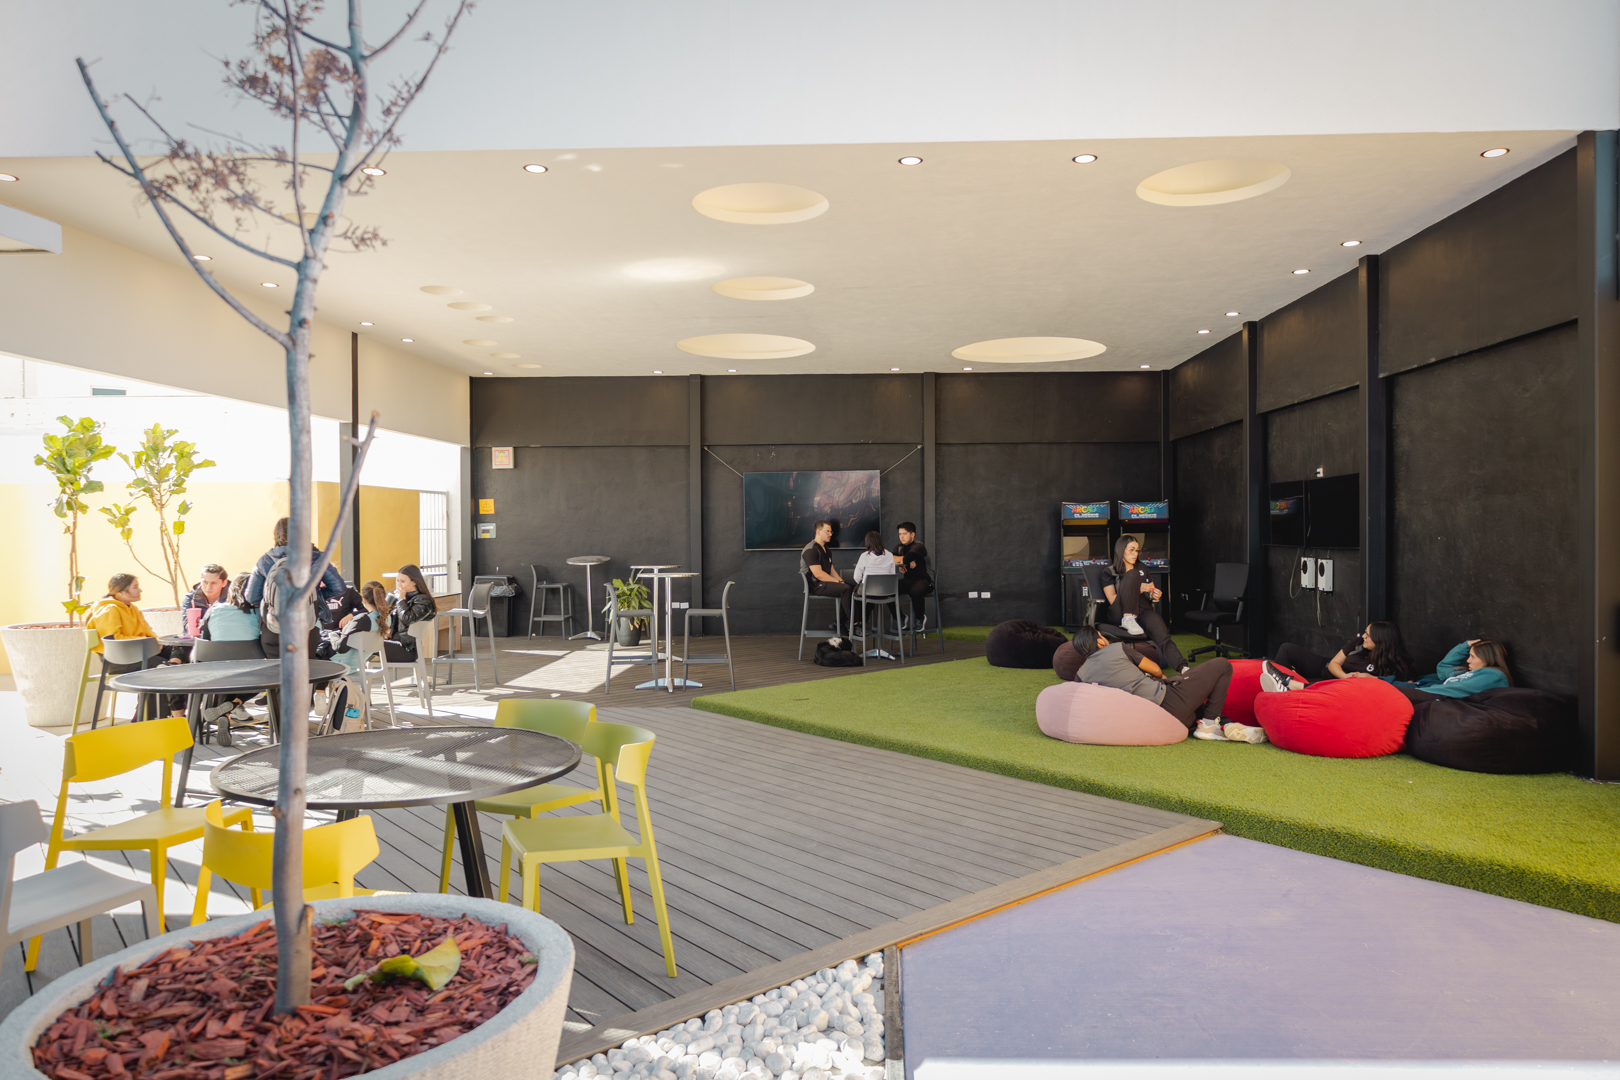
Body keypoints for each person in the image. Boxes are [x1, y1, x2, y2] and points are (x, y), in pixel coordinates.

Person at [1071, 627, 1256, 742]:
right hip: (1167, 702)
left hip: (1152, 720)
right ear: (1100, 641)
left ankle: (1226, 724)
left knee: (1197, 707)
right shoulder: (1116, 648)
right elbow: (1156, 670)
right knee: (1222, 665)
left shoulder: (1080, 674)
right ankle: (1209, 726)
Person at [85, 573, 186, 718]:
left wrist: (155, 642)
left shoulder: (133, 609)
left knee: (182, 649)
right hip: (118, 660)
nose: (140, 590)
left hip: (140, 653)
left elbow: (147, 632)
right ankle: (153, 719)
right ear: (120, 591)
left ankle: (172, 668)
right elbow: (113, 639)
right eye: (135, 587)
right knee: (162, 671)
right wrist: (147, 642)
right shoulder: (109, 609)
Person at [246, 516, 346, 656]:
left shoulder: (265, 560)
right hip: (307, 630)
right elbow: (339, 587)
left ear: (276, 535)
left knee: (275, 669)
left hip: (274, 629)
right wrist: (315, 596)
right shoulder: (317, 558)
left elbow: (251, 597)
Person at [1099, 536, 1187, 673]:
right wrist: (1137, 588)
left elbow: (1150, 589)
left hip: (1143, 610)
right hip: (1120, 612)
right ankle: (1128, 618)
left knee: (1162, 635)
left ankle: (1183, 668)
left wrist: (1154, 594)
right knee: (1132, 574)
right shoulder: (1110, 572)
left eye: (1137, 550)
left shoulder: (1142, 567)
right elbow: (1112, 599)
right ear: (1121, 550)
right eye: (1131, 550)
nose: (1135, 554)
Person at [1268, 621, 1414, 687]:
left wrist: (1372, 678)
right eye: (1365, 632)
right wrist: (1345, 676)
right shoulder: (1359, 643)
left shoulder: (1393, 664)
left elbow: (1407, 684)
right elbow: (1334, 663)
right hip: (1325, 669)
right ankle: (1279, 680)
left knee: (1308, 686)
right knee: (1287, 649)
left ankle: (1283, 686)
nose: (1364, 636)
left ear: (1380, 641)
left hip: (1335, 686)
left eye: (1368, 635)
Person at [800, 519, 854, 630]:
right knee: (845, 589)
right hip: (815, 586)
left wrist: (841, 581)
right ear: (818, 532)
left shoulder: (827, 549)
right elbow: (818, 574)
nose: (830, 534)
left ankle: (839, 623)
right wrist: (838, 582)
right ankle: (854, 624)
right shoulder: (811, 549)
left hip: (825, 583)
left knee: (853, 588)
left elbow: (831, 570)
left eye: (831, 532)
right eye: (827, 531)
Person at [383, 564, 438, 662]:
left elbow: (407, 618)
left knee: (365, 644)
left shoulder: (423, 600)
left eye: (403, 581)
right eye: (398, 581)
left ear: (414, 581)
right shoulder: (404, 598)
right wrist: (390, 602)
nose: (399, 585)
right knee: (363, 642)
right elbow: (383, 617)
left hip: (407, 648)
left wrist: (400, 601)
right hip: (393, 642)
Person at [892, 521, 934, 628]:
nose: (901, 537)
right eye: (900, 534)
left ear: (912, 534)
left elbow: (905, 559)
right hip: (908, 580)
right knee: (889, 589)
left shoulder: (919, 546)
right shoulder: (899, 547)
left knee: (915, 591)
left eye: (904, 534)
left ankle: (920, 618)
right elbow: (890, 559)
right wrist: (904, 562)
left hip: (923, 580)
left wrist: (903, 561)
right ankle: (900, 617)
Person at [199, 573, 261, 641]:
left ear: (231, 589)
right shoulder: (260, 614)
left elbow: (204, 640)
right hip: (250, 648)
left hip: (218, 648)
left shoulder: (213, 610)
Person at [180, 563, 229, 630]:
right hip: (199, 636)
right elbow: (188, 627)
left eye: (213, 583)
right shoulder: (191, 598)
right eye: (205, 582)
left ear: (224, 583)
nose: (208, 587)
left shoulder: (232, 598)